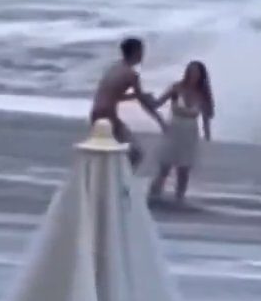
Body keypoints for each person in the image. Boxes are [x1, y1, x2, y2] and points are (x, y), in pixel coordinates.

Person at [90, 37, 166, 169]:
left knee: (110, 152)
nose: (143, 55)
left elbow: (113, 95)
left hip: (96, 113)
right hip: (107, 116)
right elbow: (145, 104)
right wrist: (161, 122)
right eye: (142, 51)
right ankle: (121, 184)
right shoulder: (131, 74)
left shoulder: (114, 67)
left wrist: (135, 96)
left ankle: (111, 180)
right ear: (136, 52)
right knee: (136, 154)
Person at [148, 60, 214, 204]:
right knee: (164, 167)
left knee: (184, 170)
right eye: (191, 71)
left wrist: (207, 135)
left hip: (190, 133)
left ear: (201, 75)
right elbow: (157, 104)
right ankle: (153, 196)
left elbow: (206, 117)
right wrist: (146, 99)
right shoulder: (177, 88)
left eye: (196, 72)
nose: (193, 75)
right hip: (174, 130)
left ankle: (179, 199)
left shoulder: (202, 94)